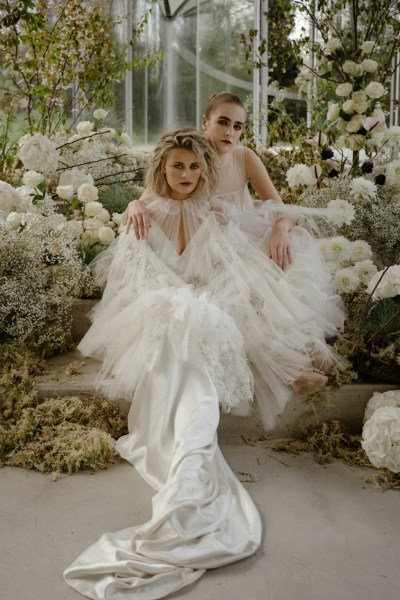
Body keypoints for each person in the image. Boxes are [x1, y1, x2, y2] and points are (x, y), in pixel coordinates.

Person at [64, 128, 340, 600]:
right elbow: (132, 280)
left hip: (201, 312)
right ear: (161, 168)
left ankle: (191, 466)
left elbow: (227, 271)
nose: (187, 175)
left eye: (194, 167)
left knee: (200, 319)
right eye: (178, 166)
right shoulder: (142, 214)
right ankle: (190, 467)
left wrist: (199, 302)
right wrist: (177, 302)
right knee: (179, 319)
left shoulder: (213, 212)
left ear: (204, 169)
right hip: (154, 312)